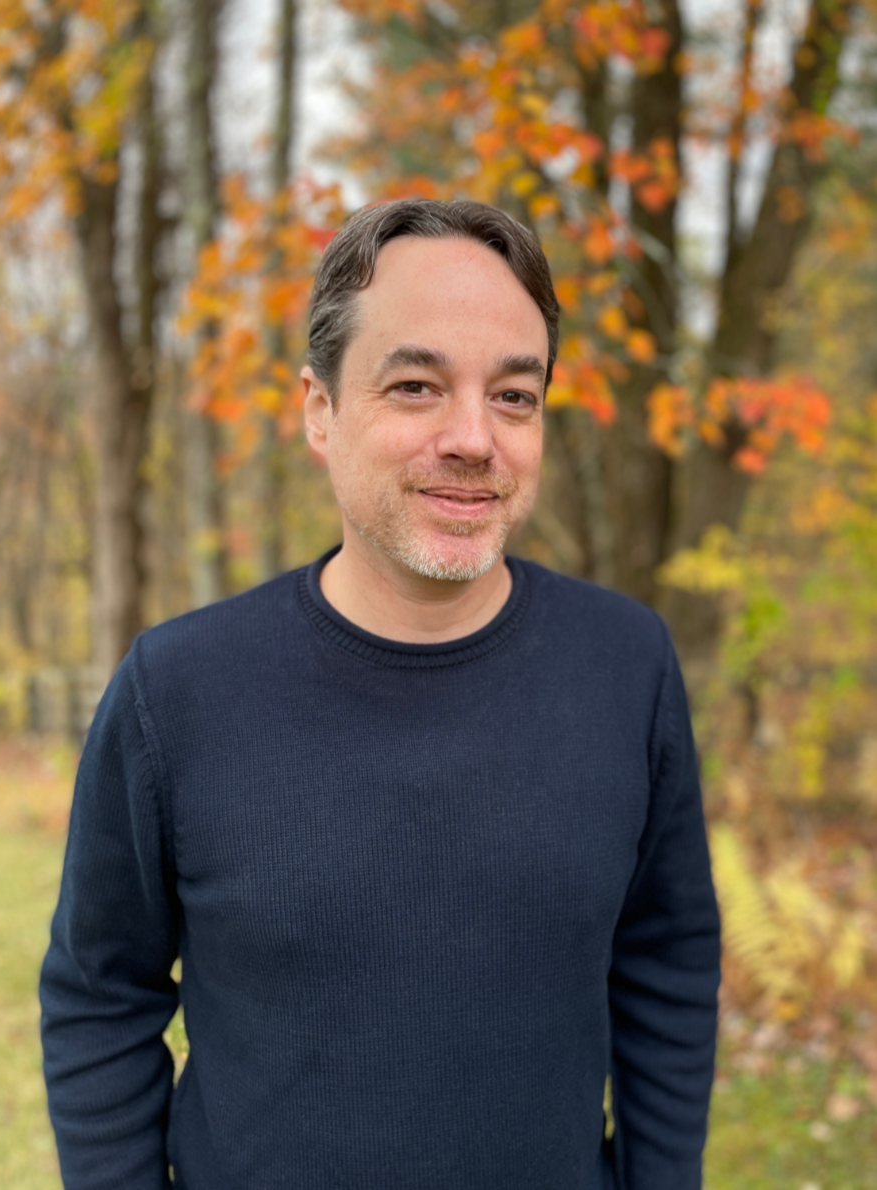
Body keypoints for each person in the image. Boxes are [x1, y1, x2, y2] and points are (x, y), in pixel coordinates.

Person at [40, 198, 721, 1190]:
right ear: (319, 410)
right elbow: (100, 993)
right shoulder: (177, 690)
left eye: (514, 397)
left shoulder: (627, 666)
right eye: (415, 385)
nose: (473, 438)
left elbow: (665, 963)